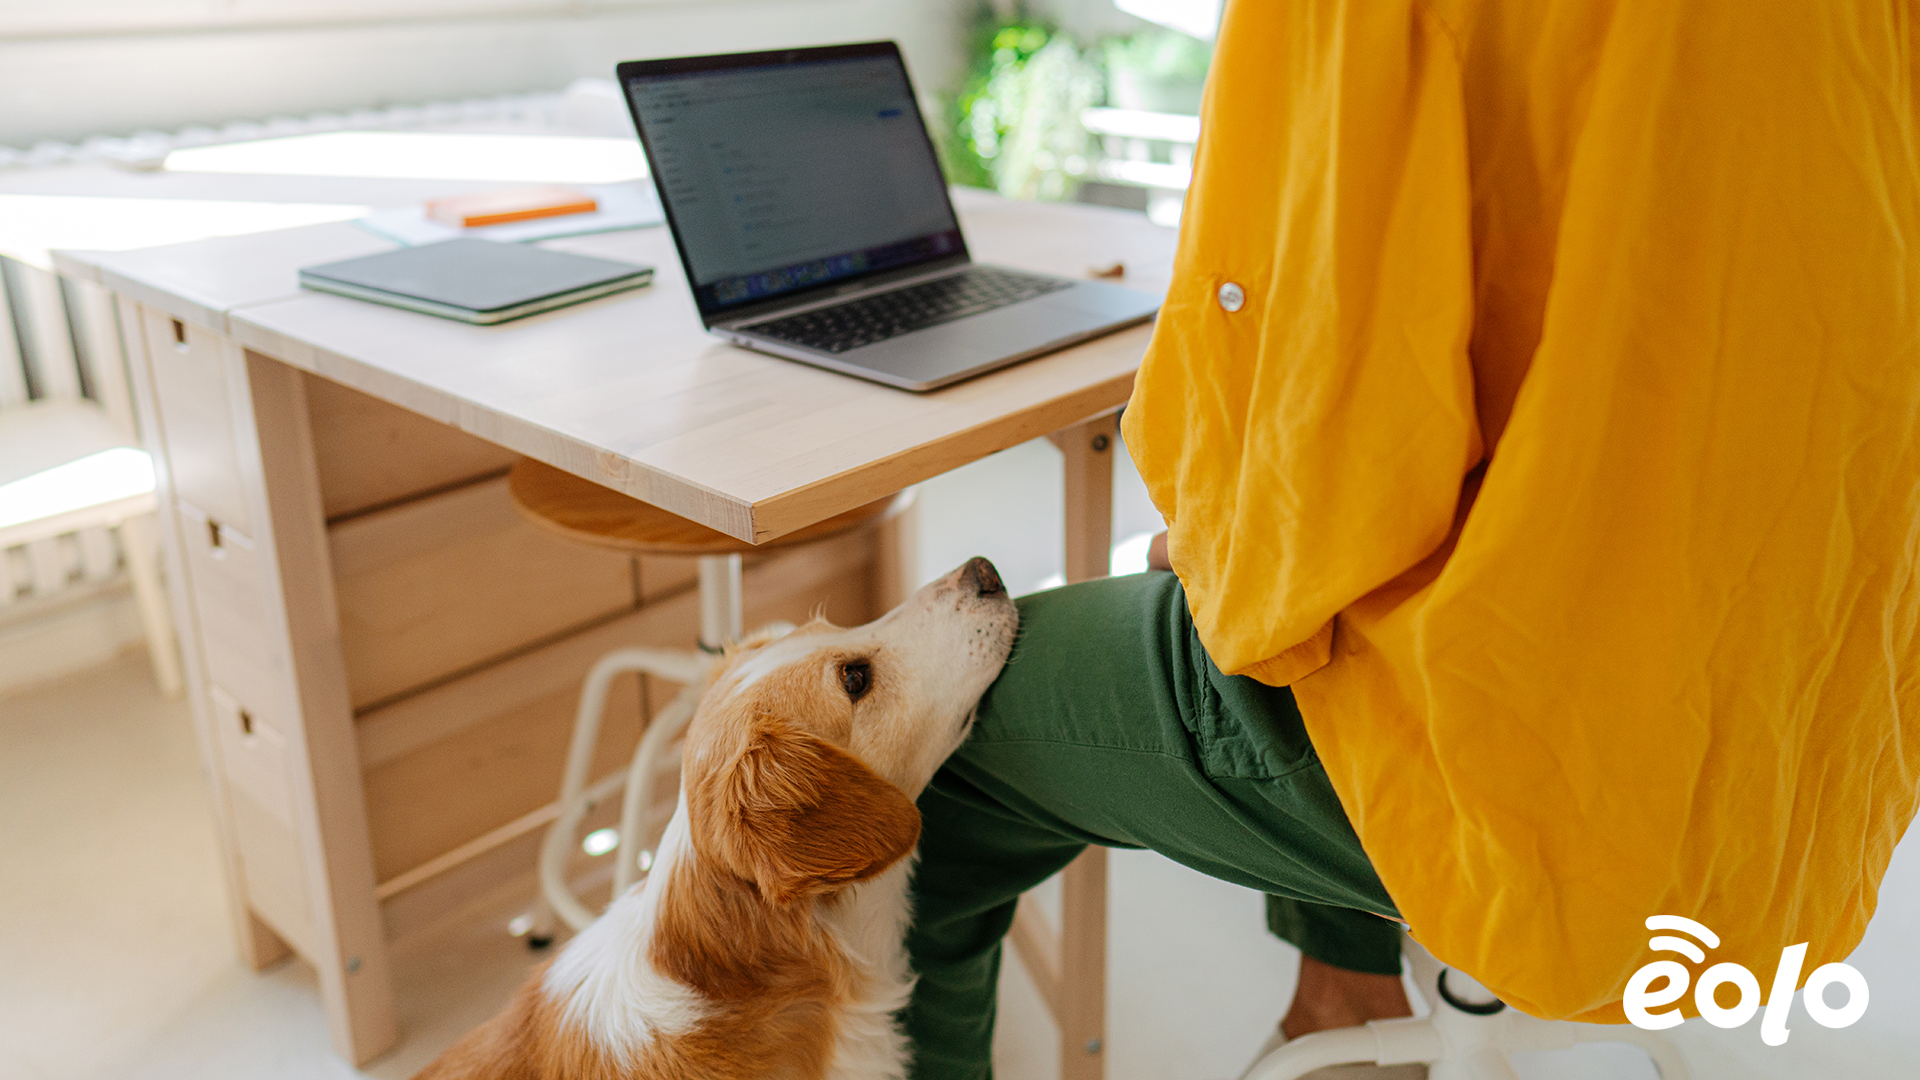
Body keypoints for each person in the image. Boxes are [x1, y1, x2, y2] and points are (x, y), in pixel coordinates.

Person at [902, 1, 1920, 1078]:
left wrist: (1209, 536)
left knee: (906, 771)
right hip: (1811, 719)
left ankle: (1341, 1006)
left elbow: (1329, 443)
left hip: (1547, 761)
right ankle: (1344, 1003)